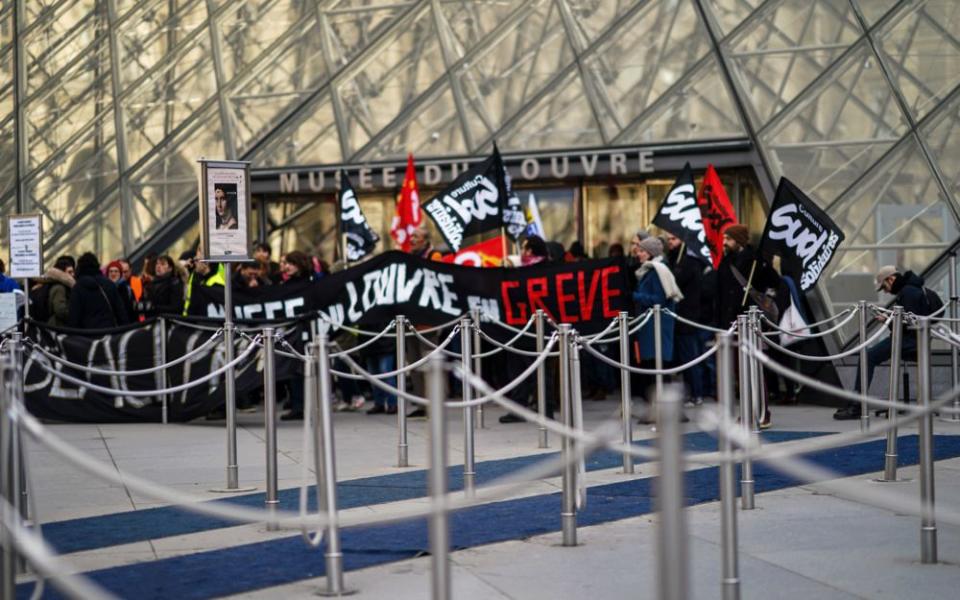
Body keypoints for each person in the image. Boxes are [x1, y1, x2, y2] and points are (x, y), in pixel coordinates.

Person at [833, 266, 940, 420]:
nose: (885, 291)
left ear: (891, 279)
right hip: (917, 340)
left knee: (867, 357)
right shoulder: (914, 288)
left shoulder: (908, 292)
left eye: (884, 286)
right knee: (869, 356)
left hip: (908, 341)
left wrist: (888, 320)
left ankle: (857, 406)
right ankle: (856, 403)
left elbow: (906, 323)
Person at [715, 225, 779, 428]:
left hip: (751, 321)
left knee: (755, 369)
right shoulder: (726, 261)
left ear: (739, 240)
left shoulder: (755, 260)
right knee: (739, 371)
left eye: (729, 239)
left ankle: (762, 412)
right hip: (732, 322)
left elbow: (775, 283)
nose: (725, 242)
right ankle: (746, 411)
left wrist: (764, 301)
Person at [630, 235, 684, 424]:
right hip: (652, 327)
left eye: (643, 251)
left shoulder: (657, 271)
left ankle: (665, 411)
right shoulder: (652, 270)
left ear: (651, 253)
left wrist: (635, 296)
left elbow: (659, 299)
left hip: (656, 327)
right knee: (656, 369)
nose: (639, 254)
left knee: (658, 369)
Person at [500, 236, 552, 423]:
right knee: (516, 367)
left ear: (530, 251)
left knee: (540, 368)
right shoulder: (521, 269)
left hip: (539, 326)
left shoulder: (545, 269)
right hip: (519, 325)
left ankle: (546, 408)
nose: (522, 251)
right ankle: (519, 407)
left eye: (524, 248)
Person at [664, 232, 705, 407]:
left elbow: (677, 282)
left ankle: (696, 393)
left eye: (674, 239)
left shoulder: (688, 263)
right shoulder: (674, 260)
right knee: (684, 357)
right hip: (681, 317)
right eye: (669, 240)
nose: (670, 243)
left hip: (688, 316)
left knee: (690, 357)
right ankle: (691, 392)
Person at [279, 251, 315, 420]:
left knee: (303, 371)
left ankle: (303, 406)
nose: (286, 267)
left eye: (290, 263)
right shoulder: (287, 284)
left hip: (306, 333)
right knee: (294, 370)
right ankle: (298, 405)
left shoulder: (309, 283)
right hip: (292, 333)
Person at [68, 252, 130, 328]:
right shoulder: (109, 284)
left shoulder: (78, 288)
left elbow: (73, 318)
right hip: (109, 333)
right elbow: (121, 313)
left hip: (87, 336)